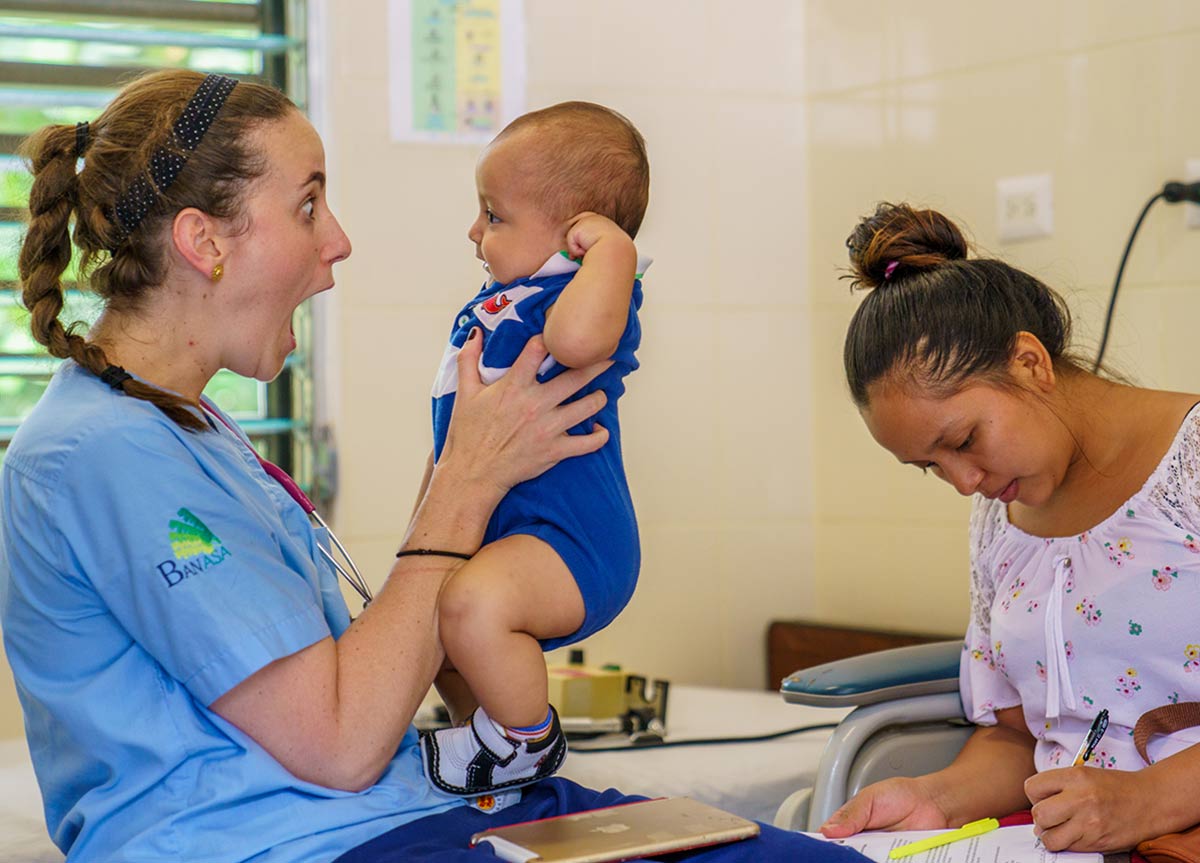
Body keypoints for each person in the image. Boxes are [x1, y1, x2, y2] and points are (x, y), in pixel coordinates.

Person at [0, 68, 869, 863]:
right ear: (203, 240)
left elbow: (361, 683)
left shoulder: (192, 430)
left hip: (412, 811)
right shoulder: (98, 451)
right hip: (292, 843)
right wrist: (467, 478)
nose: (337, 242)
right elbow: (340, 744)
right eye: (308, 205)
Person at [821, 202, 1200, 853]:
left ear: (1029, 363)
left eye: (964, 439)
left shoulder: (1189, 465)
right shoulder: (1002, 514)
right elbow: (1021, 738)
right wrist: (930, 797)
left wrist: (1147, 798)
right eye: (929, 467)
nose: (964, 481)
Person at [419, 101, 648, 797]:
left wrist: (612, 251)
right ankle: (488, 733)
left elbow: (577, 345)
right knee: (429, 620)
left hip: (575, 542)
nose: (474, 230)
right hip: (516, 533)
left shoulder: (589, 296)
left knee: (472, 605)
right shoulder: (508, 298)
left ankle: (526, 738)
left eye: (493, 214)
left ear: (574, 236)